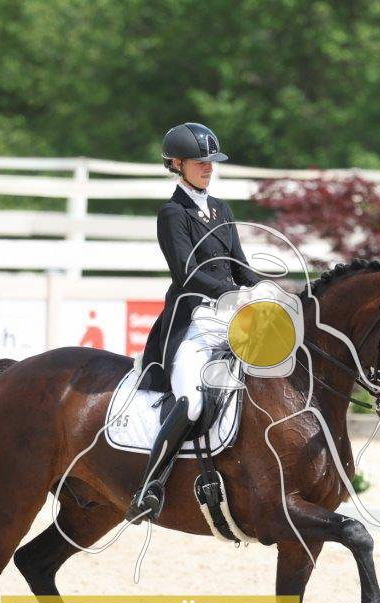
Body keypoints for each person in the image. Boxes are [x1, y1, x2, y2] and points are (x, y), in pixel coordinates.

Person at [125, 122, 261, 524]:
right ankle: (149, 486)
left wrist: (272, 289)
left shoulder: (222, 209)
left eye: (211, 161)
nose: (208, 167)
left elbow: (239, 266)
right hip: (192, 320)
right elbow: (186, 273)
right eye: (200, 161)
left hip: (230, 317)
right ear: (176, 164)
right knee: (192, 400)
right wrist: (231, 293)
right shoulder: (173, 214)